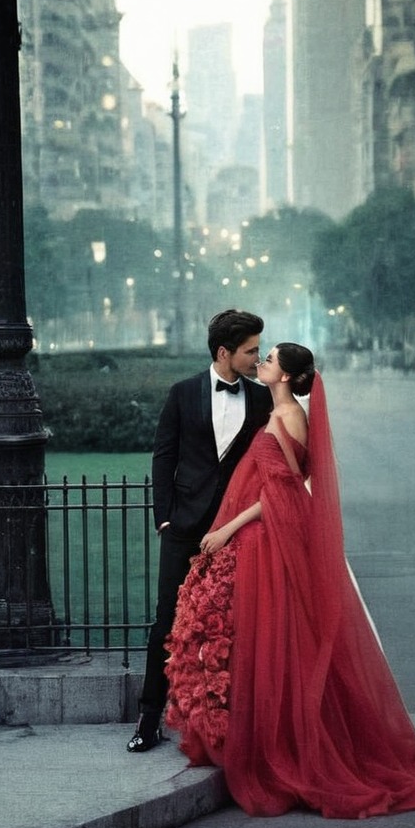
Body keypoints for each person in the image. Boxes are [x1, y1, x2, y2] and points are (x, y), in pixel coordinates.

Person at [164, 343, 415, 818]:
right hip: (264, 532)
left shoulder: (289, 418)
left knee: (281, 641)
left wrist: (229, 528)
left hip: (270, 536)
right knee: (269, 638)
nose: (262, 363)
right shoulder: (279, 410)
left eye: (270, 359)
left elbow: (285, 490)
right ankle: (256, 732)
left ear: (286, 376)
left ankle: (289, 746)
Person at [127, 309, 273, 752]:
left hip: (235, 531)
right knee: (166, 623)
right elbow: (163, 456)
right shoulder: (182, 394)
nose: (257, 357)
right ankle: (149, 719)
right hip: (184, 526)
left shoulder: (263, 399)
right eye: (251, 350)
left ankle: (228, 727)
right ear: (224, 352)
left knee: (234, 626)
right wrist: (164, 517)